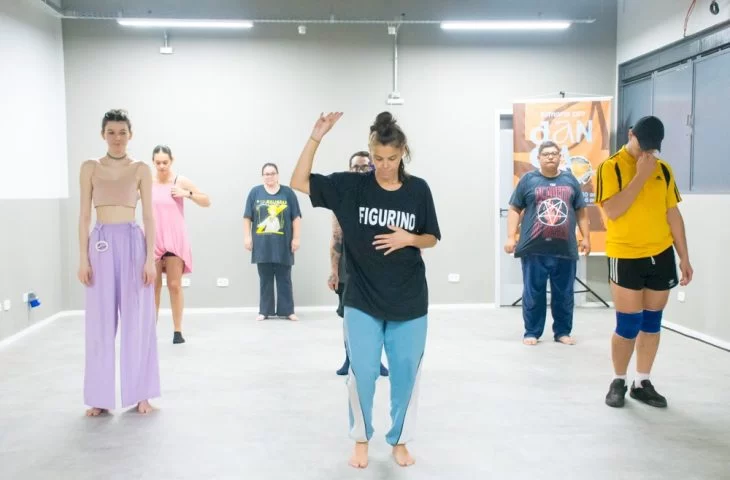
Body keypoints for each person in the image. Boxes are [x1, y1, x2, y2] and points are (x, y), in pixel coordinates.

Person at [291, 111, 441, 469]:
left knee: (406, 373)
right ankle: (361, 438)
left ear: (403, 153)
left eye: (392, 158)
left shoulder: (418, 190)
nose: (384, 166)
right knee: (363, 373)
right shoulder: (350, 187)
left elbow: (432, 237)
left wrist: (409, 238)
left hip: (409, 299)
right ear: (370, 154)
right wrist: (316, 136)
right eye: (378, 158)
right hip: (362, 298)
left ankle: (399, 440)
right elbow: (298, 181)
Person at [595, 115, 693, 409]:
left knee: (651, 323)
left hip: (660, 254)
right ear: (630, 135)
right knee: (628, 324)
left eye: (652, 147)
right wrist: (640, 176)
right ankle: (618, 380)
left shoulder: (664, 169)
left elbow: (672, 214)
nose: (647, 151)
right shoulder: (610, 167)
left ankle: (642, 382)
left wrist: (684, 256)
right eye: (642, 144)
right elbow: (613, 211)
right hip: (626, 255)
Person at [77, 109, 160, 416]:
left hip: (132, 242)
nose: (117, 138)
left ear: (130, 135)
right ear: (103, 134)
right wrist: (83, 258)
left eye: (122, 132)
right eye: (111, 132)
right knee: (99, 324)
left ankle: (141, 394)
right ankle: (99, 397)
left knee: (137, 321)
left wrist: (150, 259)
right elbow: (83, 215)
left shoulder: (141, 169)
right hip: (100, 244)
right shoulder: (90, 167)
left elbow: (149, 216)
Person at [505, 141, 591, 345]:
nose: (550, 157)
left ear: (560, 157)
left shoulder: (570, 180)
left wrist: (586, 237)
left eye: (554, 153)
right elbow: (514, 208)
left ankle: (562, 332)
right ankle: (531, 332)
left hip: (565, 248)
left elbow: (581, 210)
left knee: (564, 294)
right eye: (546, 154)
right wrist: (510, 236)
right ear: (538, 158)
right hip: (534, 248)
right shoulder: (528, 180)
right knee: (533, 293)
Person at [330, 151, 388, 377]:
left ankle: (376, 360)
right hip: (348, 268)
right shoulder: (342, 197)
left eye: (364, 166)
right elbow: (336, 237)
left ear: (372, 168)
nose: (360, 171)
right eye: (355, 167)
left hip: (376, 267)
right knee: (349, 318)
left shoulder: (382, 195)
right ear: (349, 170)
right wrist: (334, 271)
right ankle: (350, 359)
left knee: (377, 316)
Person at [151, 145, 211, 344]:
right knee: (153, 287)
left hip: (174, 239)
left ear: (171, 161)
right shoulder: (147, 182)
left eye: (165, 162)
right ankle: (150, 332)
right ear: (153, 162)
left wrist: (187, 194)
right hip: (153, 239)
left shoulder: (179, 181)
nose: (161, 166)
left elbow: (206, 201)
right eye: (158, 162)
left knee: (174, 285)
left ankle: (177, 331)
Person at [243, 163, 302, 321]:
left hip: (284, 244)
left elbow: (296, 217)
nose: (269, 176)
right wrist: (247, 237)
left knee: (285, 278)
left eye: (272, 173)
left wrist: (296, 238)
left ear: (277, 175)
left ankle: (287, 311)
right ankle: (264, 311)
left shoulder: (287, 193)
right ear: (263, 176)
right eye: (266, 174)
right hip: (262, 245)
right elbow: (247, 217)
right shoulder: (255, 192)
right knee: (265, 279)